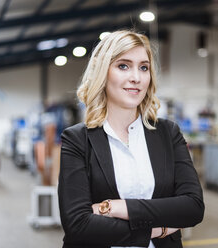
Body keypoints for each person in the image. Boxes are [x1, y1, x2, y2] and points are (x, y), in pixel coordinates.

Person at [58, 30, 204, 248]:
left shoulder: (168, 133)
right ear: (103, 73)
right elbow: (78, 225)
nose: (136, 77)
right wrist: (160, 228)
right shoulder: (77, 139)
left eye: (143, 67)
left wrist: (114, 207)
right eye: (123, 66)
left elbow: (193, 208)